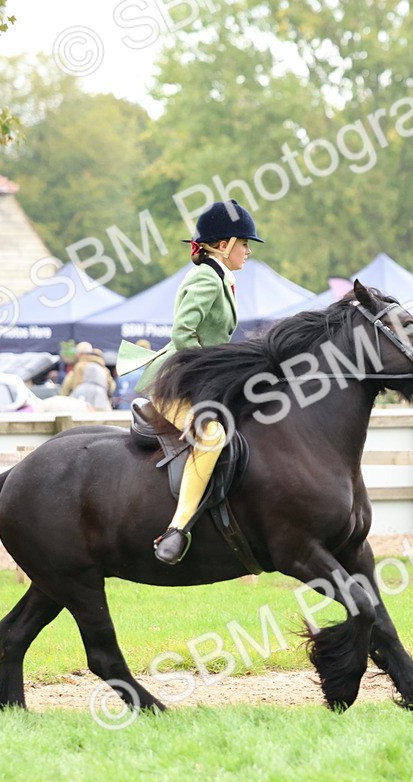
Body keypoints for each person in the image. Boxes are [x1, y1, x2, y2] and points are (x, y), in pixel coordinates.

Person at [138, 199, 262, 565]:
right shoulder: (207, 277)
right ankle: (177, 529)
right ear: (223, 245)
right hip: (178, 382)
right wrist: (212, 374)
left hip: (198, 377)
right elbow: (183, 333)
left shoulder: (221, 277)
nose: (248, 251)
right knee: (210, 436)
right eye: (244, 243)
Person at [60, 342, 114, 410]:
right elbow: (112, 386)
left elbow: (65, 389)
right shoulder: (103, 368)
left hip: (80, 403)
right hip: (101, 403)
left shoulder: (78, 367)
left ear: (79, 355)